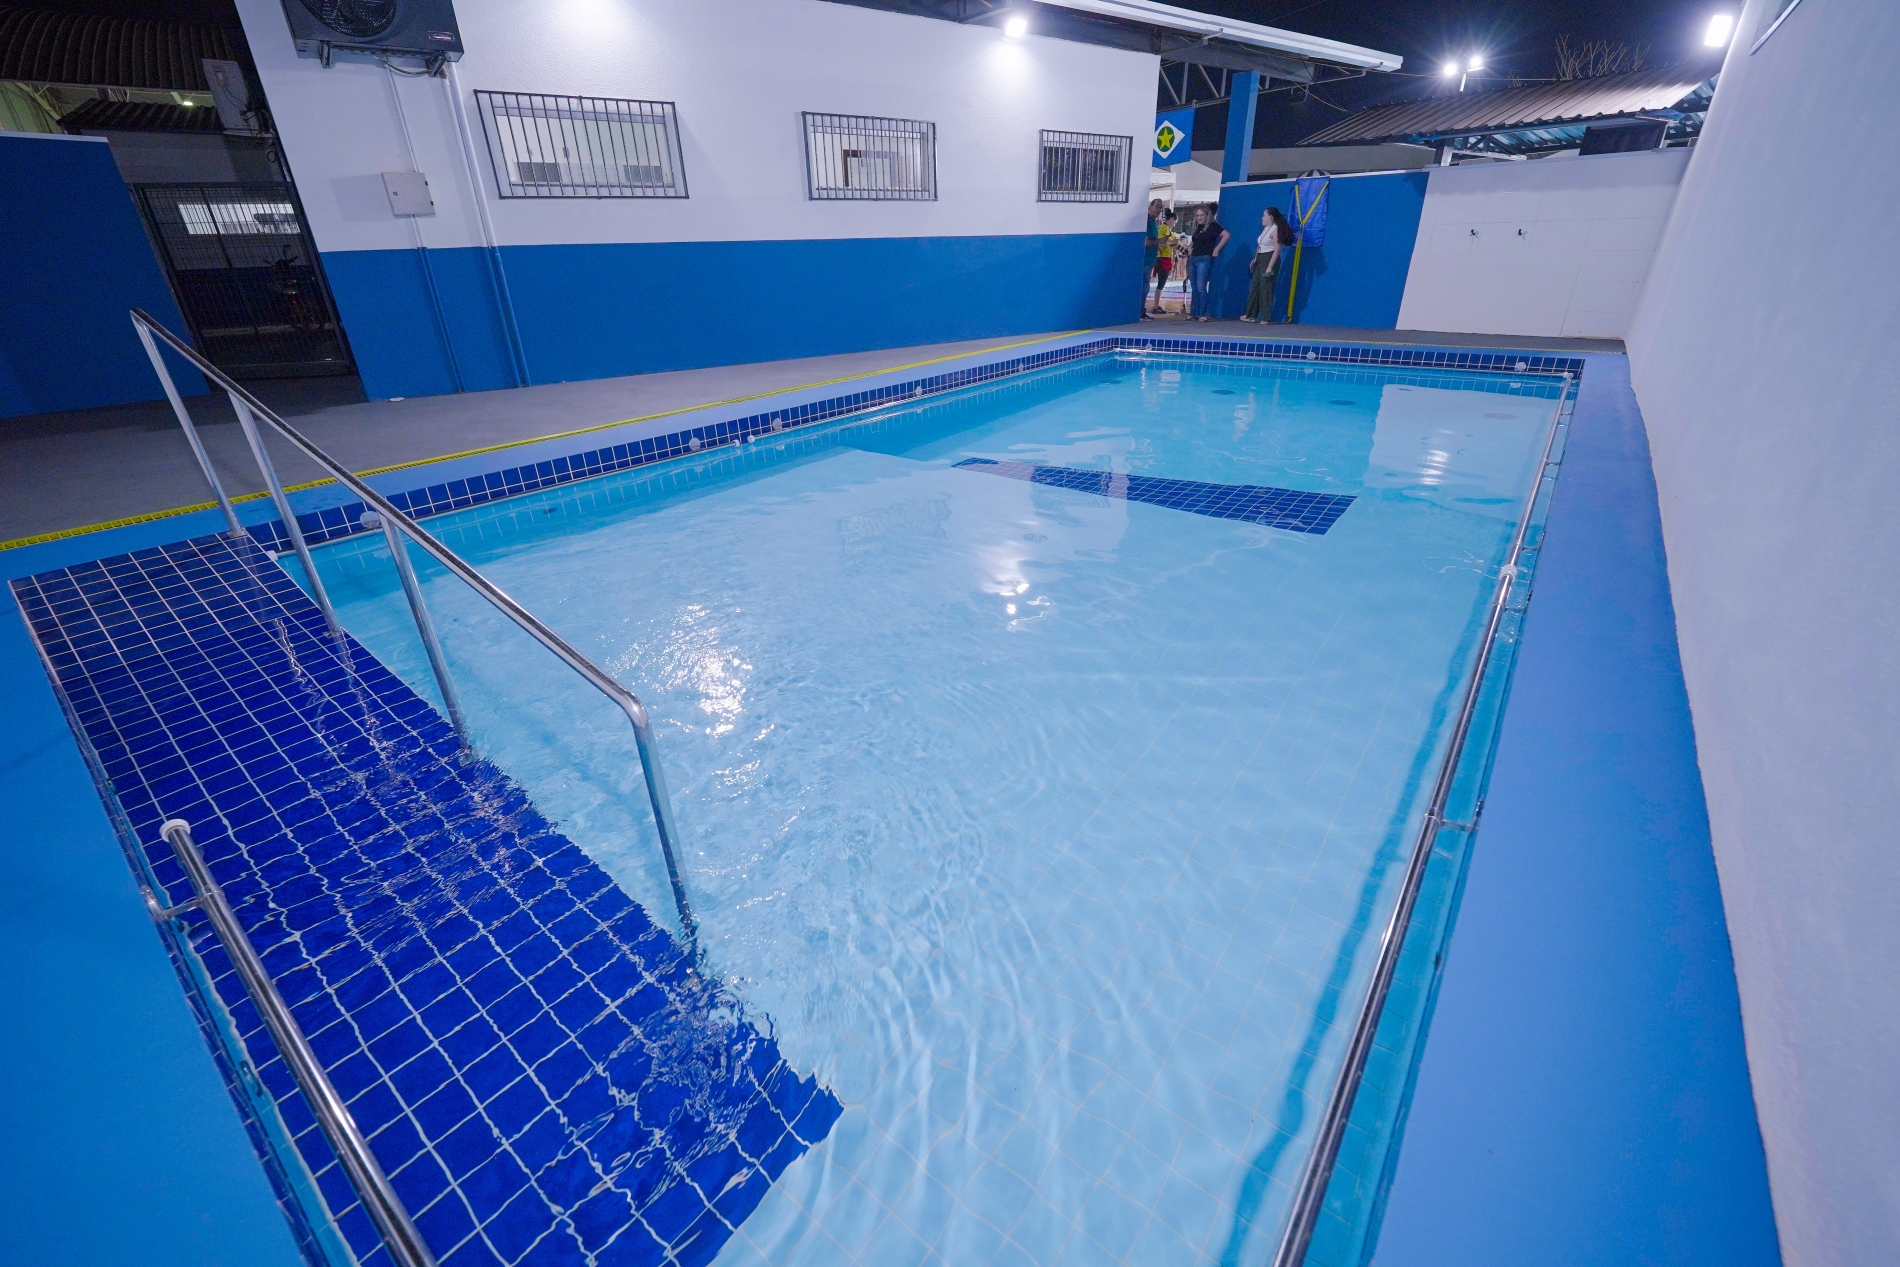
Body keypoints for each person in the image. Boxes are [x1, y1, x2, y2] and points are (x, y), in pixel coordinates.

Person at [1240, 206, 1292, 323]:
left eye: (1264, 216)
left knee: (1266, 288)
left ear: (1271, 217)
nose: (1262, 218)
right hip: (1261, 258)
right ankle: (1250, 315)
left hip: (1269, 259)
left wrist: (1269, 267)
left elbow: (1277, 250)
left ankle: (1266, 317)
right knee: (1255, 287)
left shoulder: (1275, 229)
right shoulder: (1266, 229)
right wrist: (1255, 258)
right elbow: (1261, 245)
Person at [1187, 205, 1230, 322]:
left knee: (1201, 287)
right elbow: (1196, 241)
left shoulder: (1213, 226)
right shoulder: (1198, 227)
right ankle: (1193, 312)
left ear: (1207, 215)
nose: (1199, 218)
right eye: (1197, 216)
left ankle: (1203, 314)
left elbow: (1226, 235)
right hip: (1193, 259)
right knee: (1194, 288)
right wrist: (1190, 247)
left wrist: (1216, 249)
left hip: (1203, 259)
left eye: (1202, 215)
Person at [1150, 208, 1177, 316]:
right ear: (1172, 219)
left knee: (1161, 283)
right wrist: (1171, 243)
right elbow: (1160, 243)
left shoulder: (1163, 228)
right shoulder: (1164, 228)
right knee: (1161, 283)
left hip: (1162, 258)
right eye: (1175, 222)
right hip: (1163, 258)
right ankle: (1156, 306)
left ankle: (1156, 305)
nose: (1174, 224)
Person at [1142, 199, 1164, 319]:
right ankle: (1140, 311)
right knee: (1144, 287)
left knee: (1145, 286)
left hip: (1149, 260)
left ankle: (1141, 311)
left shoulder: (1153, 222)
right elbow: (1146, 242)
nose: (1158, 210)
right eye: (1157, 206)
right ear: (1150, 206)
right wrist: (1160, 241)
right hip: (1145, 260)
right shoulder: (1146, 221)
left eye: (1160, 207)